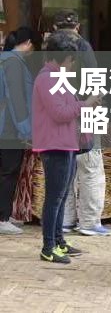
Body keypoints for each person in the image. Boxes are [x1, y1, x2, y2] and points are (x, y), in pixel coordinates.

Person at [32, 31, 100, 263]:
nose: (73, 64)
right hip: (55, 145)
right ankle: (48, 246)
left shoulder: (55, 77)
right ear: (63, 58)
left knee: (60, 197)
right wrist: (86, 104)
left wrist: (84, 105)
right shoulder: (47, 79)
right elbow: (60, 113)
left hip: (65, 143)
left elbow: (67, 108)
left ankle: (59, 241)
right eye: (71, 60)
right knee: (55, 197)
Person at [54, 10, 111, 236]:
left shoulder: (49, 47)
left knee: (64, 167)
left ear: (55, 27)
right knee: (90, 167)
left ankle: (65, 220)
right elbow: (94, 79)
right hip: (85, 111)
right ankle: (89, 221)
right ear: (78, 27)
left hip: (58, 113)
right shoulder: (83, 46)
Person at [0, 27, 36, 235]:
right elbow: (16, 100)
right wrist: (26, 129)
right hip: (9, 127)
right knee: (9, 171)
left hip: (6, 124)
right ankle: (3, 218)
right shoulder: (14, 63)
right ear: (28, 43)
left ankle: (5, 213)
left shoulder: (5, 59)